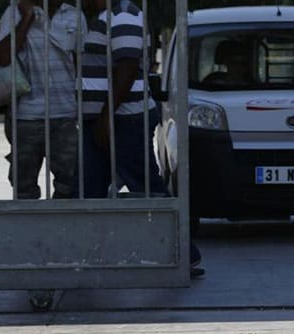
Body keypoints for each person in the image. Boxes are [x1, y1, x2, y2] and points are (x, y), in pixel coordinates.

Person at [79, 0, 204, 277]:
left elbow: (126, 67)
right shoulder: (104, 15)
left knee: (146, 187)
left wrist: (105, 117)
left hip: (123, 119)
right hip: (109, 118)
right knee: (90, 189)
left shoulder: (123, 14)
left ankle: (185, 253)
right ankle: (87, 254)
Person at [0, 0, 86, 199]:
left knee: (70, 184)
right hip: (26, 115)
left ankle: (63, 227)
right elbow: (2, 56)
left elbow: (80, 62)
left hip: (65, 113)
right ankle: (27, 227)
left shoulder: (74, 15)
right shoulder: (15, 12)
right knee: (24, 186)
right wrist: (27, 19)